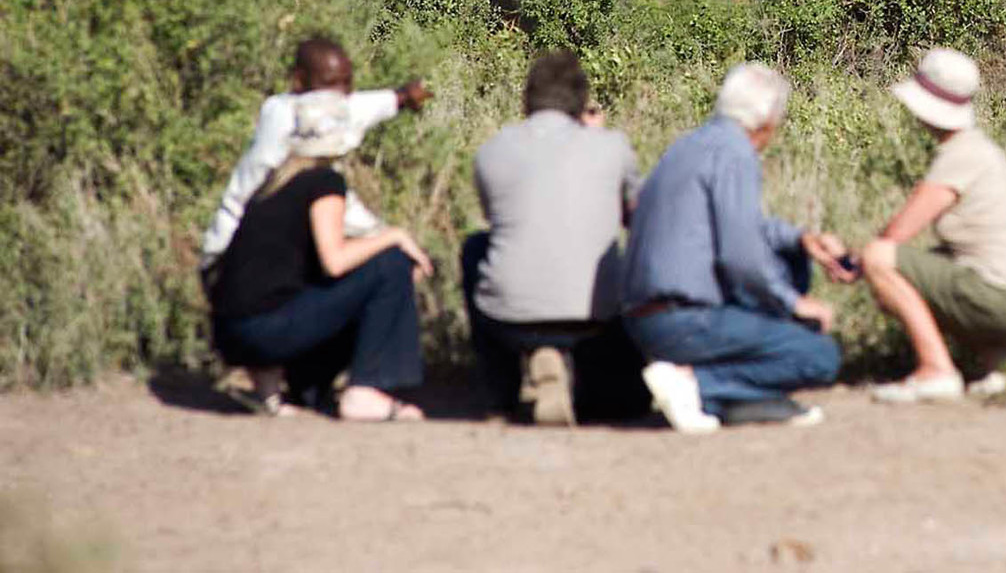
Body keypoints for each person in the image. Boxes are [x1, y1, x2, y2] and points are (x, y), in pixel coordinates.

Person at [199, 37, 429, 412]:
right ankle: (367, 391)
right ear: (299, 82)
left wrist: (400, 97)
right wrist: (393, 237)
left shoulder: (284, 166)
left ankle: (286, 384)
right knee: (386, 264)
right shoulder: (312, 170)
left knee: (299, 267)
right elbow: (337, 253)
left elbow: (348, 108)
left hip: (230, 319)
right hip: (234, 280)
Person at [621, 63, 850, 432]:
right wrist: (793, 303)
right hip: (681, 319)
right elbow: (741, 257)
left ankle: (721, 395)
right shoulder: (736, 153)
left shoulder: (692, 144)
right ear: (767, 122)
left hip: (645, 315)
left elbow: (738, 227)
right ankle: (697, 384)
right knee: (819, 355)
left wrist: (799, 239)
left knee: (792, 261)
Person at [463, 51, 644, 427]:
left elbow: (498, 220)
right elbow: (636, 218)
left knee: (476, 247)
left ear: (526, 99)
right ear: (581, 101)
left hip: (509, 317)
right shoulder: (612, 146)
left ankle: (501, 396)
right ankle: (576, 373)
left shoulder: (492, 150)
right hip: (596, 317)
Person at [862, 48, 1006, 404]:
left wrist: (856, 263)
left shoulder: (960, 155)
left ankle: (936, 370)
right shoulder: (980, 149)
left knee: (879, 258)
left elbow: (896, 235)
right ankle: (998, 365)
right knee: (936, 260)